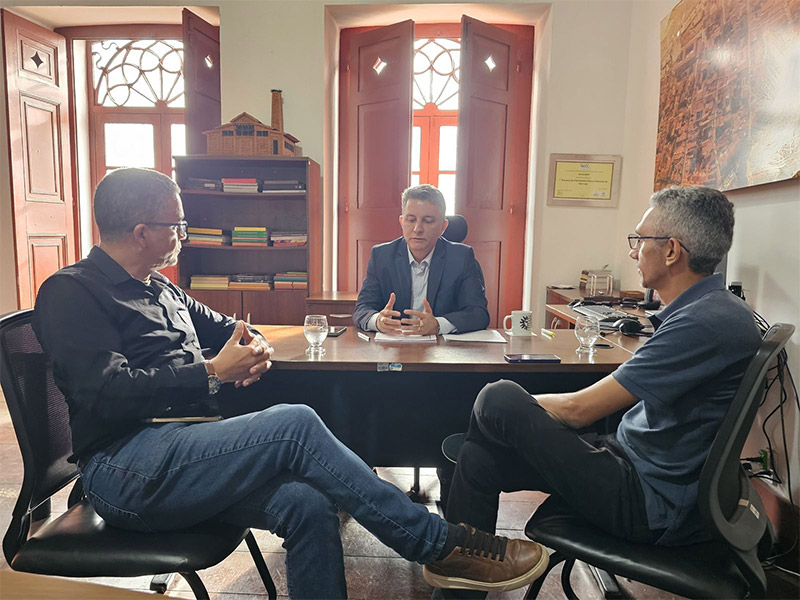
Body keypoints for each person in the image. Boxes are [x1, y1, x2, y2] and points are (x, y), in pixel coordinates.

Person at [32, 167, 549, 599]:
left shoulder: (163, 288)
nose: (184, 235)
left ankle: (438, 549)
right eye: (178, 225)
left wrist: (250, 348)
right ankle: (439, 545)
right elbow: (101, 391)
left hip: (188, 450)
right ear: (142, 231)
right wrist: (213, 372)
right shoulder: (71, 291)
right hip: (125, 469)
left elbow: (236, 329)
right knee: (295, 423)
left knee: (308, 503)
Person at [441, 186, 762, 597]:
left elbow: (579, 411)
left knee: (497, 397)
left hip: (646, 502)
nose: (633, 252)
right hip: (631, 465)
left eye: (640, 240)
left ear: (671, 251)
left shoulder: (705, 322)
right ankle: (460, 587)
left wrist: (515, 415)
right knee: (478, 455)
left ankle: (456, 570)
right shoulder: (710, 311)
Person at [353, 184, 489, 336]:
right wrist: (378, 320)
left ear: (443, 226)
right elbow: (362, 308)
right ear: (401, 221)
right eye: (411, 220)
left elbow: (478, 314)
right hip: (394, 348)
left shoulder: (461, 257)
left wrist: (438, 324)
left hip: (442, 352)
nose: (418, 228)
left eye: (428, 221)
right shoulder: (381, 256)